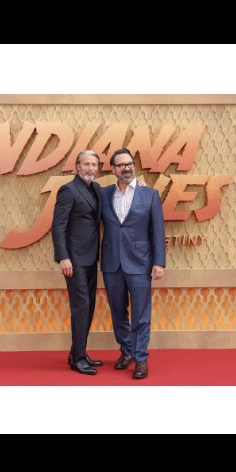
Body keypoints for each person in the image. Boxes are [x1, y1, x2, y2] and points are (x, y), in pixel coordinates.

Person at [99, 148, 166, 380]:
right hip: (111, 263)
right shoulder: (103, 194)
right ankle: (126, 350)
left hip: (140, 263)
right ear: (113, 169)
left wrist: (159, 262)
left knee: (140, 314)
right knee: (118, 312)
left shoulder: (150, 195)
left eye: (129, 164)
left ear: (133, 166)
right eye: (121, 165)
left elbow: (157, 230)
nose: (126, 168)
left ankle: (140, 358)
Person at [51, 149, 106, 375]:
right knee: (81, 306)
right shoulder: (68, 190)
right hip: (73, 260)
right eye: (86, 164)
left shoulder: (96, 189)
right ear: (77, 166)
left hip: (91, 257)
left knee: (89, 305)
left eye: (94, 165)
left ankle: (77, 352)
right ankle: (79, 359)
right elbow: (58, 226)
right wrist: (63, 257)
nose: (91, 168)